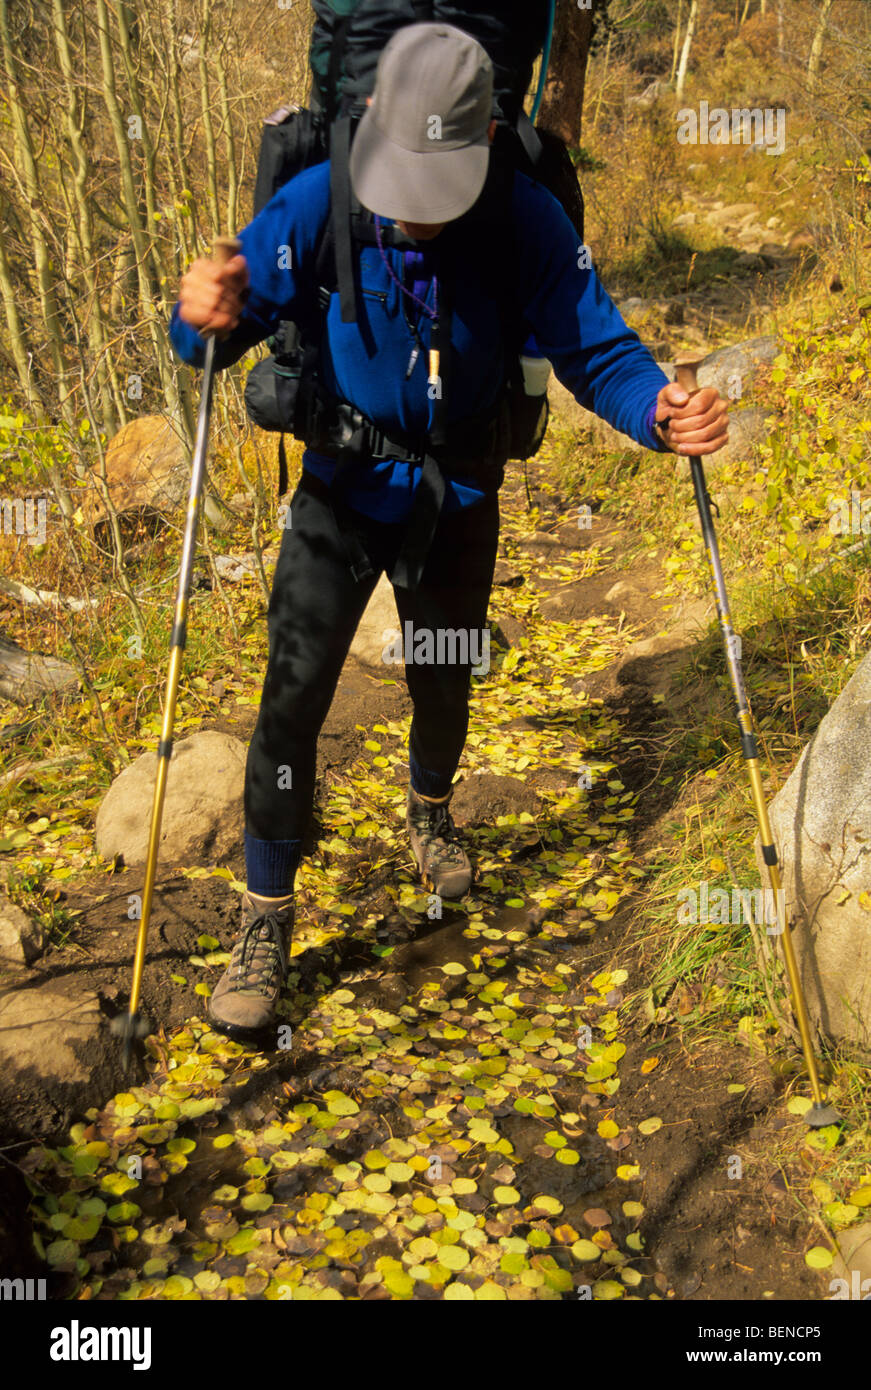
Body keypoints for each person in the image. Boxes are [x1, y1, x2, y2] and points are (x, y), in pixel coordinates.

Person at [170, 22, 729, 1041]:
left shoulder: (522, 217)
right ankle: (264, 917)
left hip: (460, 490)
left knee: (442, 674)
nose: (413, 218)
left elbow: (597, 348)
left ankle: (428, 809)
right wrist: (196, 314)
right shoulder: (320, 196)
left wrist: (659, 414)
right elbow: (216, 325)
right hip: (340, 487)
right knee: (291, 701)